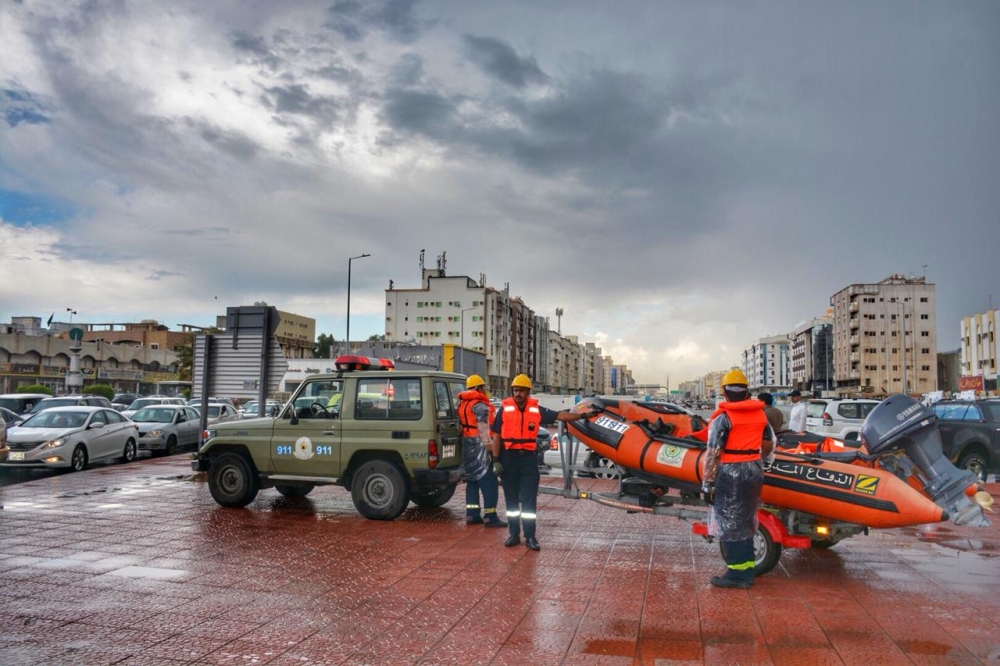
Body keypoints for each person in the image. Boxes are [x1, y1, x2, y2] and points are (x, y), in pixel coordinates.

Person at [491, 374, 597, 551]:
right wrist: (495, 460)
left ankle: (530, 536)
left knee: (528, 500)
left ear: (528, 392)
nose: (518, 394)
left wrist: (582, 415)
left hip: (528, 459)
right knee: (511, 500)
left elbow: (561, 415)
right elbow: (496, 436)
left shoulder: (536, 410)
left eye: (521, 391)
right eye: (515, 390)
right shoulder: (504, 410)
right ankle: (514, 534)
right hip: (508, 458)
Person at [701, 369, 775, 589]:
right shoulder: (760, 415)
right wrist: (754, 459)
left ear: (724, 392)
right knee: (745, 520)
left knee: (730, 523)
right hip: (753, 469)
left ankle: (737, 575)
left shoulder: (723, 419)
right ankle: (747, 568)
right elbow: (769, 444)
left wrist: (707, 484)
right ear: (746, 391)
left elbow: (713, 452)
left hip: (731, 472)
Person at [457, 375, 506, 528]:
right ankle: (490, 516)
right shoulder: (480, 406)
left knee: (472, 480)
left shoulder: (462, 404)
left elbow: (461, 426)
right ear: (478, 388)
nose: (485, 390)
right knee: (488, 480)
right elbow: (484, 430)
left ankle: (472, 515)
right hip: (480, 444)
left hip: (468, 443)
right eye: (483, 387)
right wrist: (492, 450)